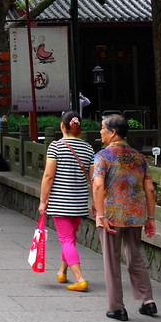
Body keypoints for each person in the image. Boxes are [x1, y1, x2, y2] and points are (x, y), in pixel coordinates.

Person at [92, 114, 157, 321]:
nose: (100, 131)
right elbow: (150, 190)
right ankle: (148, 301)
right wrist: (151, 218)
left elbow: (98, 185)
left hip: (111, 216)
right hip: (135, 216)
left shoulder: (103, 156)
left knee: (111, 261)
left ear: (112, 132)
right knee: (134, 256)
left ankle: (117, 307)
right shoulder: (139, 157)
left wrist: (100, 214)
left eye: (103, 128)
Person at [38, 110, 93, 292]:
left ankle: (79, 278)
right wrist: (95, 202)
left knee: (66, 240)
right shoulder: (88, 148)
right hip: (79, 201)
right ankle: (62, 271)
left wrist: (43, 200)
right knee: (70, 238)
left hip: (60, 202)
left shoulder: (55, 146)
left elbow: (48, 176)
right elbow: (93, 179)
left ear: (62, 125)